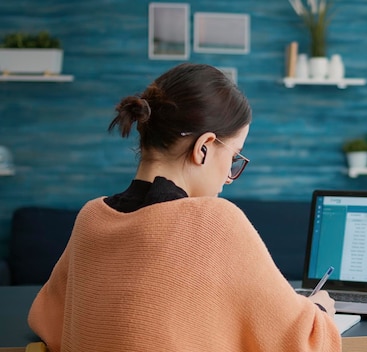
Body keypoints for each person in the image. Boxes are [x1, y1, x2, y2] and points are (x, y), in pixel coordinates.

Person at [27, 63, 341, 352]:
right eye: (234, 157)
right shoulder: (215, 221)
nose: (229, 178)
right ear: (203, 148)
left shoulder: (91, 218)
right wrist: (320, 311)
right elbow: (305, 343)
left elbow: (46, 320)